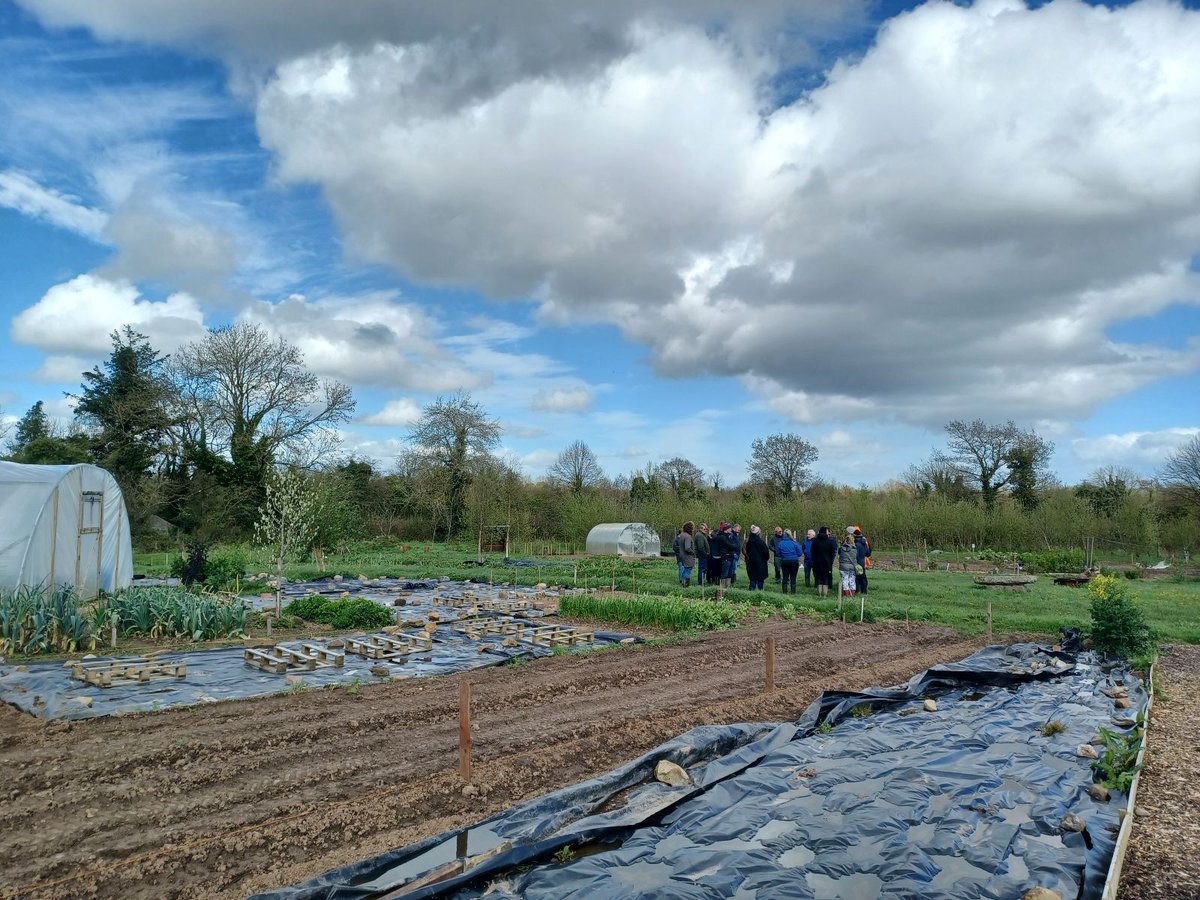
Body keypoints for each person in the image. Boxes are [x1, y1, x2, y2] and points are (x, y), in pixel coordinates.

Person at [811, 525, 837, 598]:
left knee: (819, 578)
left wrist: (815, 559)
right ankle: (825, 595)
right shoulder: (830, 541)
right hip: (827, 563)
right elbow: (832, 553)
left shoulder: (815, 541)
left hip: (817, 562)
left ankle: (819, 594)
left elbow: (812, 552)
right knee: (826, 579)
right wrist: (830, 560)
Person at [775, 528, 802, 594]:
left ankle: (784, 592)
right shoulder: (795, 543)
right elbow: (800, 553)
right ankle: (793, 593)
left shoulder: (781, 543)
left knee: (785, 577)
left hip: (785, 561)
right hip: (794, 561)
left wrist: (784, 556)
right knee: (793, 577)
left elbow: (778, 553)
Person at [838, 527, 859, 608]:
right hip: (852, 567)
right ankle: (852, 595)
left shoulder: (841, 549)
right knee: (852, 581)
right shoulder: (855, 549)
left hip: (843, 568)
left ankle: (846, 596)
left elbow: (839, 553)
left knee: (845, 581)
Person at [744, 525, 771, 590]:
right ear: (758, 532)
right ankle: (760, 591)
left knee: (752, 578)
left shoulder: (748, 542)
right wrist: (765, 559)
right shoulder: (761, 542)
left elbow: (746, 550)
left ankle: (751, 590)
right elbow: (766, 553)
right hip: (760, 562)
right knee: (760, 578)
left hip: (751, 561)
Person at [715, 522, 738, 589]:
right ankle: (722, 588)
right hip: (725, 557)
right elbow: (730, 545)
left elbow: (734, 545)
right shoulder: (722, 537)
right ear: (727, 529)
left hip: (730, 556)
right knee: (724, 573)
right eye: (730, 528)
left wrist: (733, 546)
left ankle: (728, 587)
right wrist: (733, 546)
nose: (731, 529)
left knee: (729, 574)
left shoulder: (728, 536)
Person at [853, 527, 871, 595]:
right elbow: (868, 554)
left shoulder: (854, 544)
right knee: (863, 578)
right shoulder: (864, 543)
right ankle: (864, 591)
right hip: (862, 563)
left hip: (855, 563)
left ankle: (857, 591)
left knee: (856, 578)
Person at [679, 522, 697, 587]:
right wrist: (693, 552)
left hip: (683, 556)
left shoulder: (682, 535)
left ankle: (683, 583)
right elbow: (687, 548)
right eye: (692, 528)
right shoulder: (688, 536)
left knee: (685, 570)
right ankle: (686, 585)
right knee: (687, 571)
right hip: (688, 557)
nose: (693, 530)